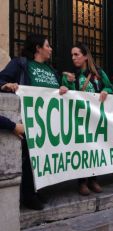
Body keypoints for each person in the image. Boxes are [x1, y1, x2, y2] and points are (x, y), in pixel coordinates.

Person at [0, 34, 67, 210]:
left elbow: (55, 92)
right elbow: (1, 79)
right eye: (48, 45)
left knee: (41, 155)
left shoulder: (51, 71)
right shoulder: (20, 64)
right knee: (29, 156)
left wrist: (62, 89)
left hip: (48, 121)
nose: (51, 49)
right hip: (28, 117)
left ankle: (37, 190)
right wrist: (6, 85)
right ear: (38, 48)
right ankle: (28, 195)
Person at [62, 43, 113, 195]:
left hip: (96, 117)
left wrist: (105, 90)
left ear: (85, 56)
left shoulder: (98, 72)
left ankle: (93, 179)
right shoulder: (71, 74)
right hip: (80, 118)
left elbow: (110, 86)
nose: (73, 58)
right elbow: (67, 95)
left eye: (76, 54)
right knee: (82, 148)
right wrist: (67, 84)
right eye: (72, 55)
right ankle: (82, 182)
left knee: (96, 147)